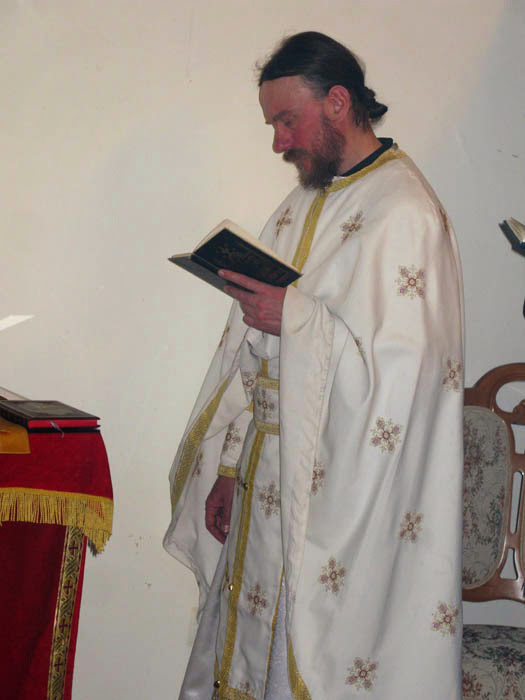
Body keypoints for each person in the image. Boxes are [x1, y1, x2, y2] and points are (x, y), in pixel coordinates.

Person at [164, 31, 464, 700]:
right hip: (269, 475)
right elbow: (257, 356)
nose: (278, 142)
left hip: (341, 491)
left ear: (337, 102)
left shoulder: (404, 211)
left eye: (286, 121)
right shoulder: (304, 201)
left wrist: (294, 318)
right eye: (273, 125)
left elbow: (406, 380)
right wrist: (232, 466)